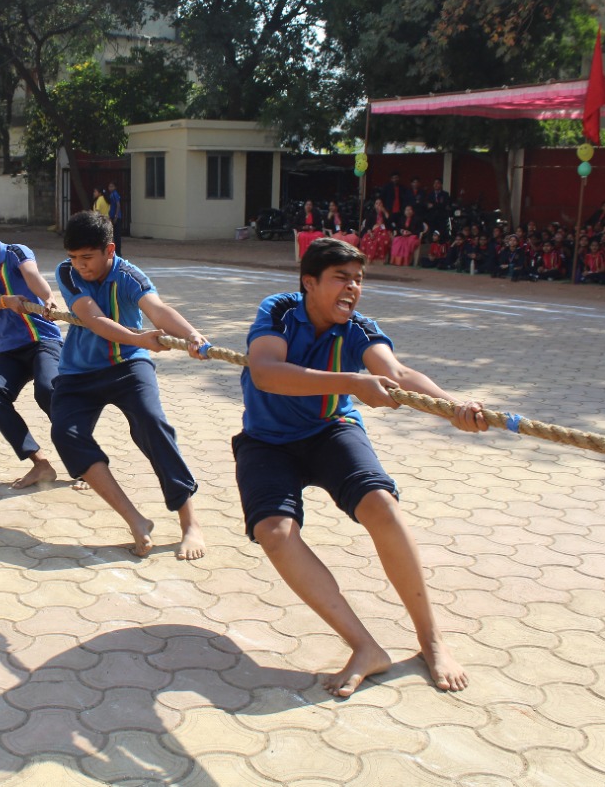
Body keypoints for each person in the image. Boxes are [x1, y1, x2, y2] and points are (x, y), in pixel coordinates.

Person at [235, 237, 486, 697]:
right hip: (268, 441)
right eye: (340, 278)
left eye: (358, 279)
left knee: (382, 507)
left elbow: (398, 374)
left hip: (332, 430)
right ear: (310, 283)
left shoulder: (359, 328)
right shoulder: (278, 311)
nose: (352, 288)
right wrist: (353, 380)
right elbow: (266, 371)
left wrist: (453, 407)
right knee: (273, 532)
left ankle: (431, 641)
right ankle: (366, 647)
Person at [51, 211, 209, 561]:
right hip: (78, 371)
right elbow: (93, 320)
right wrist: (141, 339)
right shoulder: (67, 272)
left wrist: (192, 336)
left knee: (153, 425)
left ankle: (189, 523)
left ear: (109, 250)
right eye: (74, 258)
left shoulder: (128, 275)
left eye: (87, 258)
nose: (80, 266)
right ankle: (136, 520)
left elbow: (158, 309)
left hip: (127, 366)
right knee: (66, 434)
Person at [0, 217, 67, 487]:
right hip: (10, 350)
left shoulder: (17, 252)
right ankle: (40, 463)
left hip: (43, 340)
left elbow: (33, 277)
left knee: (48, 391)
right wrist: (6, 301)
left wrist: (49, 298)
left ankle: (87, 462)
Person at [106, 182, 124, 256]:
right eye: (109, 186)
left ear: (115, 187)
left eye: (112, 186)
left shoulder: (115, 194)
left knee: (117, 235)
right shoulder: (111, 194)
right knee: (114, 235)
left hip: (116, 217)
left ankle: (118, 252)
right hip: (112, 216)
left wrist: (116, 216)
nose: (110, 188)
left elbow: (118, 205)